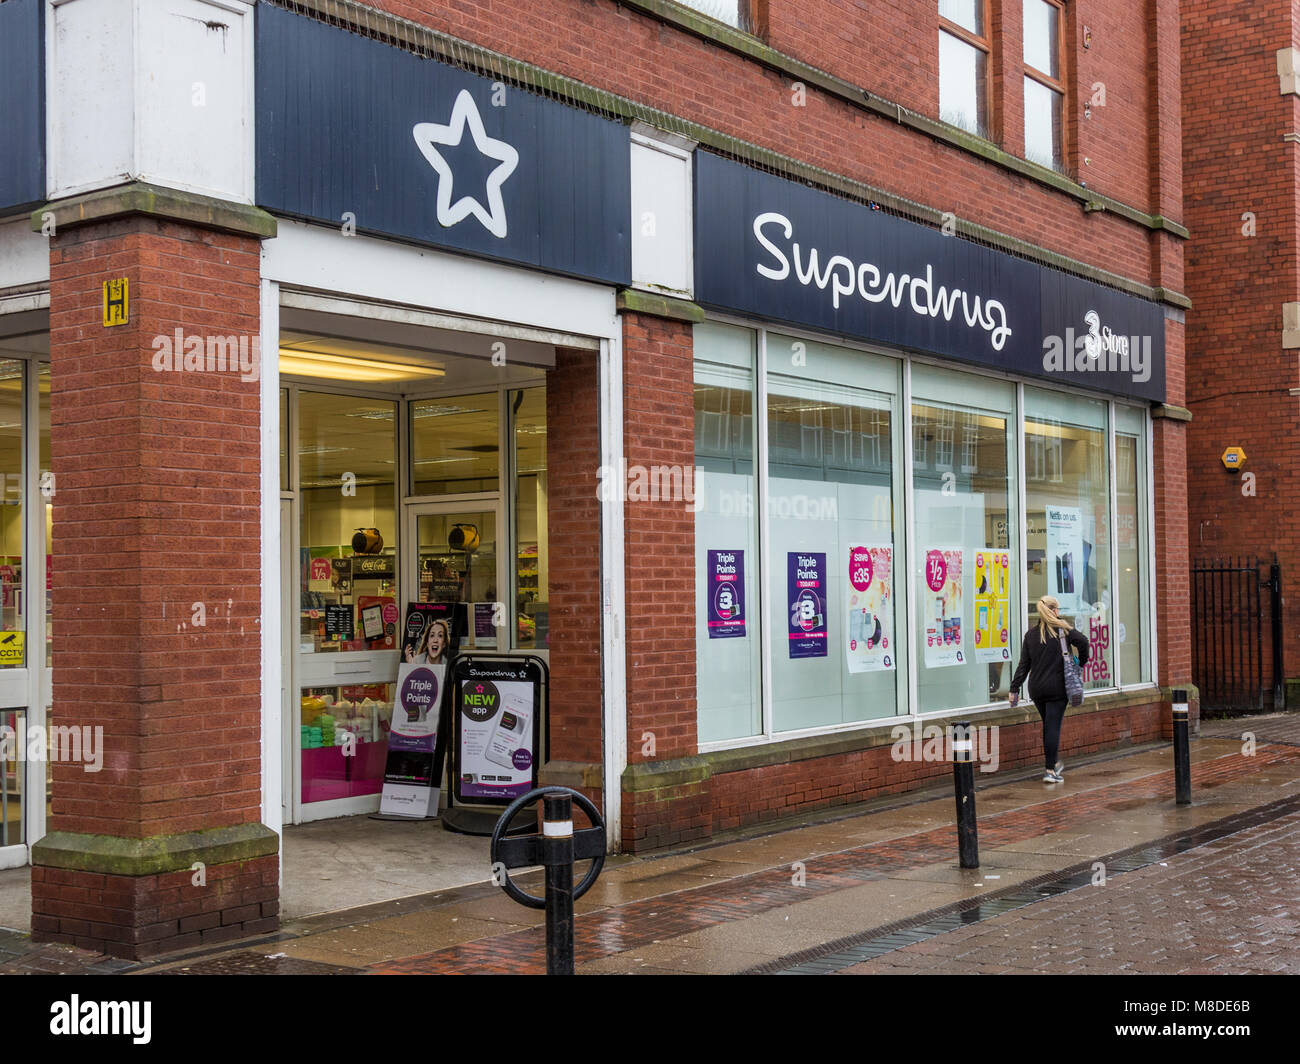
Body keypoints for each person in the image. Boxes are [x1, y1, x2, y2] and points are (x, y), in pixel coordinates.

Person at [1008, 595, 1090, 784]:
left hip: (1036, 689)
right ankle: (1050, 770)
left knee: (1048, 726)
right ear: (1054, 611)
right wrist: (1081, 663)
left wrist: (1014, 688)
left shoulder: (1031, 635)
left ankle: (1052, 763)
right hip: (1057, 689)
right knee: (1053, 727)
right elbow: (1084, 642)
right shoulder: (1062, 629)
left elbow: (1023, 665)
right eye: (1058, 610)